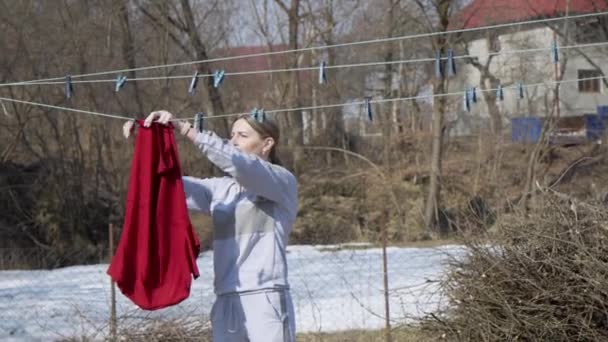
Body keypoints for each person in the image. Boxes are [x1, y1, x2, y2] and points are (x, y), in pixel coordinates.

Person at [123, 110, 298, 342]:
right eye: (232, 134)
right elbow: (167, 185)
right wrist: (148, 141)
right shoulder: (221, 189)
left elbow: (241, 165)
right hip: (226, 296)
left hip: (265, 296)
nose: (234, 141)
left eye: (243, 135)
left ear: (267, 144)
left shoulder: (281, 181)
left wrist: (187, 130)